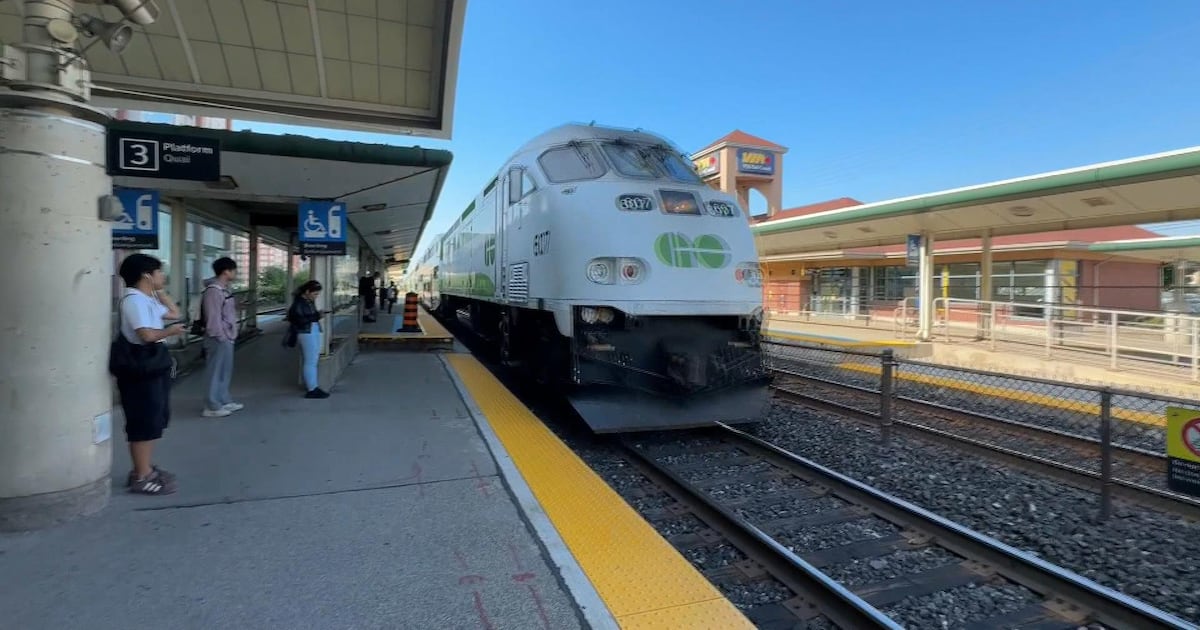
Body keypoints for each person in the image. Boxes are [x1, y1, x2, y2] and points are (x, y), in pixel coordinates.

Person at [116, 253, 187, 495]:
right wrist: (171, 332)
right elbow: (146, 335)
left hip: (151, 368)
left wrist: (160, 291)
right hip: (141, 369)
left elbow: (174, 313)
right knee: (144, 422)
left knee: (153, 418)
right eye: (159, 272)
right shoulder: (134, 301)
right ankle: (142, 476)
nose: (162, 276)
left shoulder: (145, 299)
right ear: (146, 275)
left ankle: (143, 468)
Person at [201, 256, 241, 417]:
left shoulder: (224, 290)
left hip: (227, 336)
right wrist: (221, 335)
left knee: (225, 370)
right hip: (218, 337)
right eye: (234, 270)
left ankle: (223, 399)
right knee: (215, 371)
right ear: (226, 271)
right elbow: (213, 317)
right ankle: (212, 405)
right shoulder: (213, 291)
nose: (235, 273)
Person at [287, 280, 330, 399]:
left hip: (311, 330)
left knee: (313, 359)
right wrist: (317, 315)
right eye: (315, 294)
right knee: (310, 361)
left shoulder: (306, 301)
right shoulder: (299, 303)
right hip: (306, 332)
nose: (316, 296)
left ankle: (313, 386)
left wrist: (317, 315)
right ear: (307, 292)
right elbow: (299, 319)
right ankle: (312, 389)